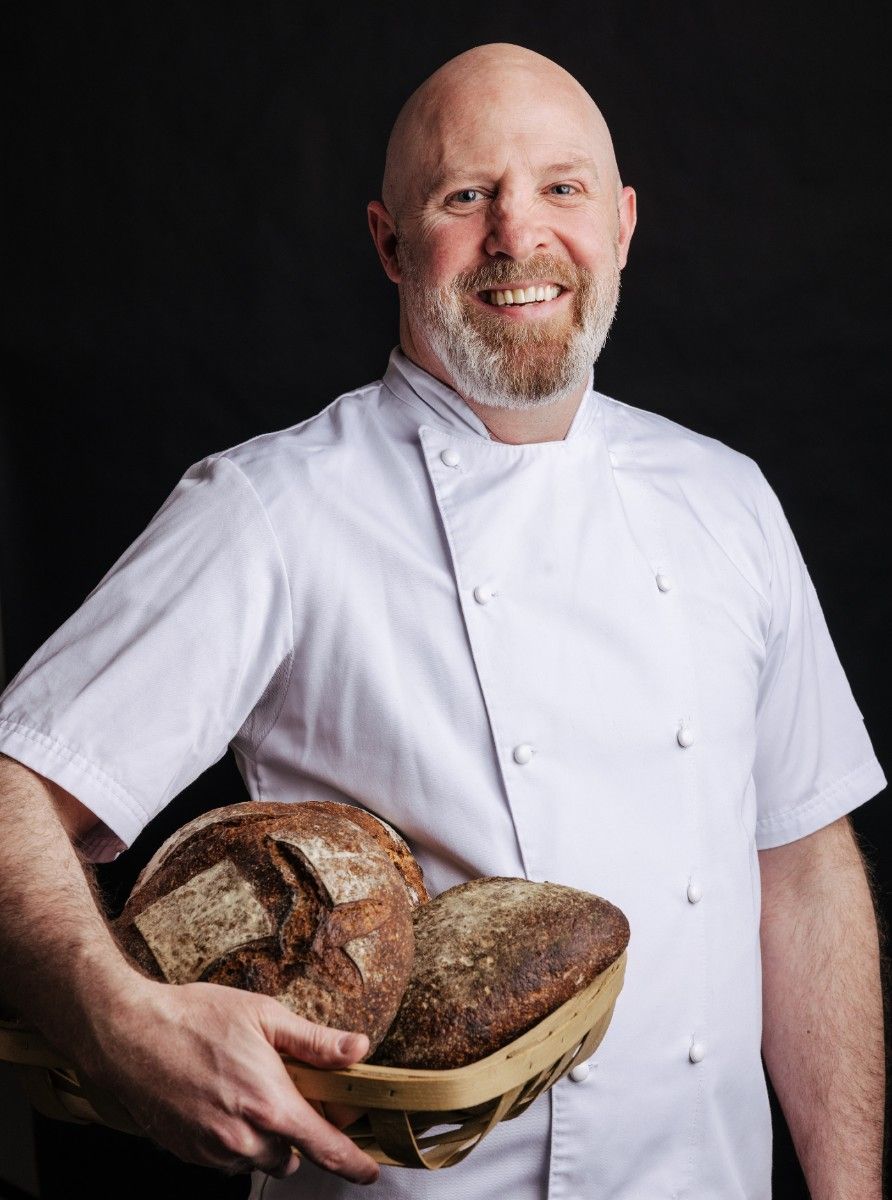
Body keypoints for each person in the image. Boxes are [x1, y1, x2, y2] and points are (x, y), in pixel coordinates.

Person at [0, 41, 885, 1200]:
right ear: (388, 242)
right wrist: (117, 1020)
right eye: (466, 196)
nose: (519, 235)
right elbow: (13, 794)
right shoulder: (275, 509)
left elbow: (804, 873)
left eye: (560, 188)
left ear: (621, 224)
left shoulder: (725, 496)